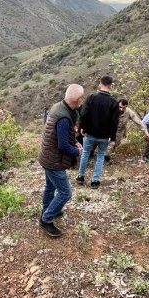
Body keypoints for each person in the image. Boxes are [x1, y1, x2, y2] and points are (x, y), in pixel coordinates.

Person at [38, 84, 84, 238]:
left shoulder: (58, 107)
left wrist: (75, 142)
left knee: (50, 187)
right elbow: (63, 145)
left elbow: (61, 135)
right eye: (82, 98)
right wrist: (77, 151)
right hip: (54, 161)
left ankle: (48, 210)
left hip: (47, 156)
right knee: (65, 193)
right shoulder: (64, 117)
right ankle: (46, 219)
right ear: (78, 100)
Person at [76, 76, 119, 188]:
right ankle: (95, 181)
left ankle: (80, 176)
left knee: (85, 153)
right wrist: (113, 138)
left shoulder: (91, 98)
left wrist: (83, 127)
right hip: (104, 136)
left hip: (90, 133)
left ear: (100, 84)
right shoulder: (114, 102)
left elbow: (83, 114)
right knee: (100, 156)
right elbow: (114, 122)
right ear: (111, 85)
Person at [105, 99, 145, 163]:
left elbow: (137, 121)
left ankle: (106, 154)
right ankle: (105, 156)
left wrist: (145, 131)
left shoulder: (128, 111)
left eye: (123, 108)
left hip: (120, 130)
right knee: (107, 142)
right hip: (109, 128)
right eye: (120, 107)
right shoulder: (112, 109)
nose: (121, 109)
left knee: (115, 144)